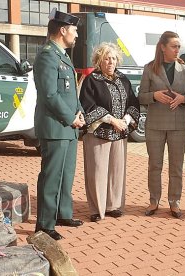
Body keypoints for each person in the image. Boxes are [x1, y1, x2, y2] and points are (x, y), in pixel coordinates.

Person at [33, 9, 85, 240]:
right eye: (74, 30)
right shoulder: (47, 56)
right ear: (63, 30)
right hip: (55, 127)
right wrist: (70, 117)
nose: (76, 35)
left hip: (68, 127)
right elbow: (50, 95)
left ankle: (63, 213)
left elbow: (70, 93)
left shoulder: (62, 55)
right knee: (51, 176)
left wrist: (80, 113)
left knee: (66, 174)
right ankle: (44, 224)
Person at [79, 42, 140, 223]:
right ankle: (97, 209)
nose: (110, 62)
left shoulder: (123, 79)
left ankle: (113, 206)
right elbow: (88, 105)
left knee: (116, 171)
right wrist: (111, 120)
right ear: (99, 60)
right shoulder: (92, 80)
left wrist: (125, 121)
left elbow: (133, 103)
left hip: (120, 133)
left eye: (113, 58)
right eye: (106, 58)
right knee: (97, 171)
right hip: (99, 133)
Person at [138, 31, 185, 218]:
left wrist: (182, 99)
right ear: (163, 47)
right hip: (155, 125)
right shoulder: (150, 68)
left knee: (176, 167)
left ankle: (174, 202)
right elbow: (141, 97)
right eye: (173, 46)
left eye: (179, 46)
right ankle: (154, 201)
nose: (177, 49)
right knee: (155, 165)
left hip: (178, 126)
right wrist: (154, 96)